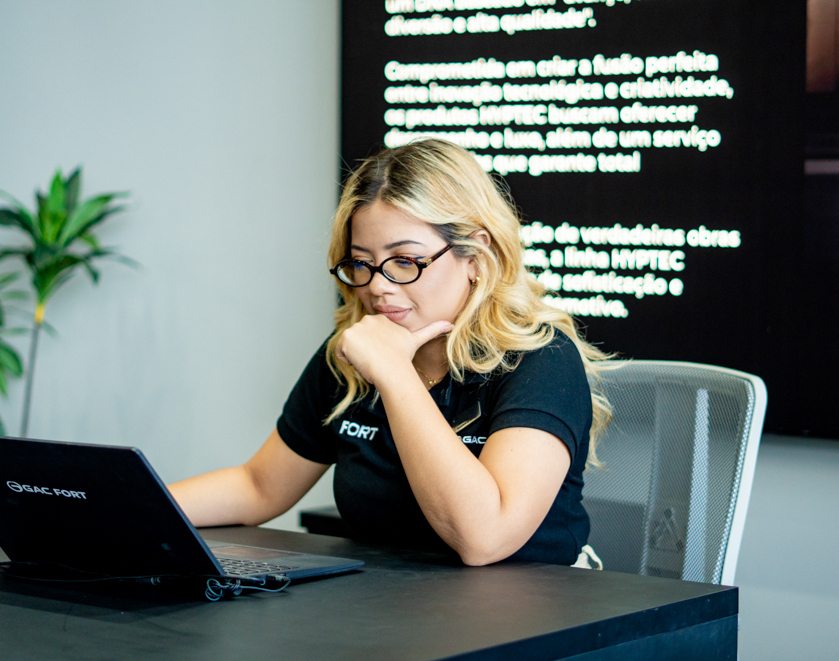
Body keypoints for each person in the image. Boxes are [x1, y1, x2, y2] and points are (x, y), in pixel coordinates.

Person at [169, 138, 611, 567]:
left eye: (405, 261)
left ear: (476, 255)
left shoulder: (542, 358)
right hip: (391, 602)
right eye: (361, 263)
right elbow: (259, 486)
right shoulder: (356, 353)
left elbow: (485, 539)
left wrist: (395, 375)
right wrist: (134, 509)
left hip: (535, 605)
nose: (378, 286)